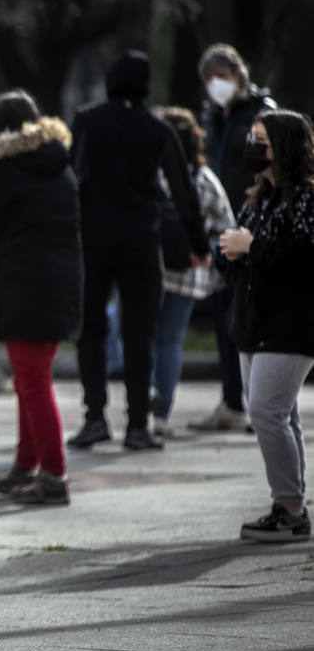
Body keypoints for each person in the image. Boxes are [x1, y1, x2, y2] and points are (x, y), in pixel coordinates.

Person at [66, 50, 209, 452]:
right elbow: (183, 192)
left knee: (91, 331)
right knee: (140, 334)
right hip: (141, 241)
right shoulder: (158, 129)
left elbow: (71, 173)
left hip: (93, 240)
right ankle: (138, 426)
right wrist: (198, 243)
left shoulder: (87, 120)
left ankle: (95, 418)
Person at [0, 90, 82, 505]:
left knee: (33, 383)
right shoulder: (61, 162)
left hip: (23, 281)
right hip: (62, 280)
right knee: (32, 379)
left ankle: (53, 476)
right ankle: (25, 465)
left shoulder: (3, 167)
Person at [218, 109, 314, 543]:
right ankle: (289, 503)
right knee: (279, 413)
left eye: (263, 141)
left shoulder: (306, 199)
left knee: (265, 411)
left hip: (290, 324)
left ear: (286, 147)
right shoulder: (257, 198)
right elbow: (240, 257)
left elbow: (304, 260)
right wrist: (232, 253)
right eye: (252, 138)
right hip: (253, 322)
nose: (254, 148)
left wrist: (253, 247)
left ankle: (291, 509)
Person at [192, 43, 278, 433]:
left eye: (221, 77)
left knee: (259, 313)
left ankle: (263, 400)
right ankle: (233, 400)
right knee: (227, 315)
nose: (215, 86)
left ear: (239, 77)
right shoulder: (211, 119)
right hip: (221, 228)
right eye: (209, 79)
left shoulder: (264, 114)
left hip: (255, 223)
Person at [151, 107, 236, 437]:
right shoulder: (205, 179)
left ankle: (141, 405)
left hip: (153, 269)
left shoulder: (153, 176)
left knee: (144, 338)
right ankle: (161, 416)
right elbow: (227, 225)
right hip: (192, 274)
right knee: (170, 342)